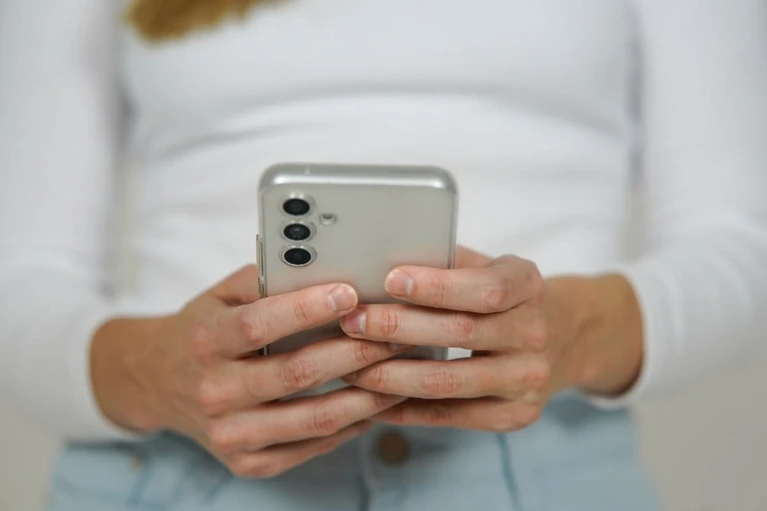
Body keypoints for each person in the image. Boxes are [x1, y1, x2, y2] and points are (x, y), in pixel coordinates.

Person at [1, 1, 765, 510]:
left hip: (540, 475)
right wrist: (156, 371)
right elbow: (23, 276)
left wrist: (574, 329)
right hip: (175, 475)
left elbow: (738, 246)